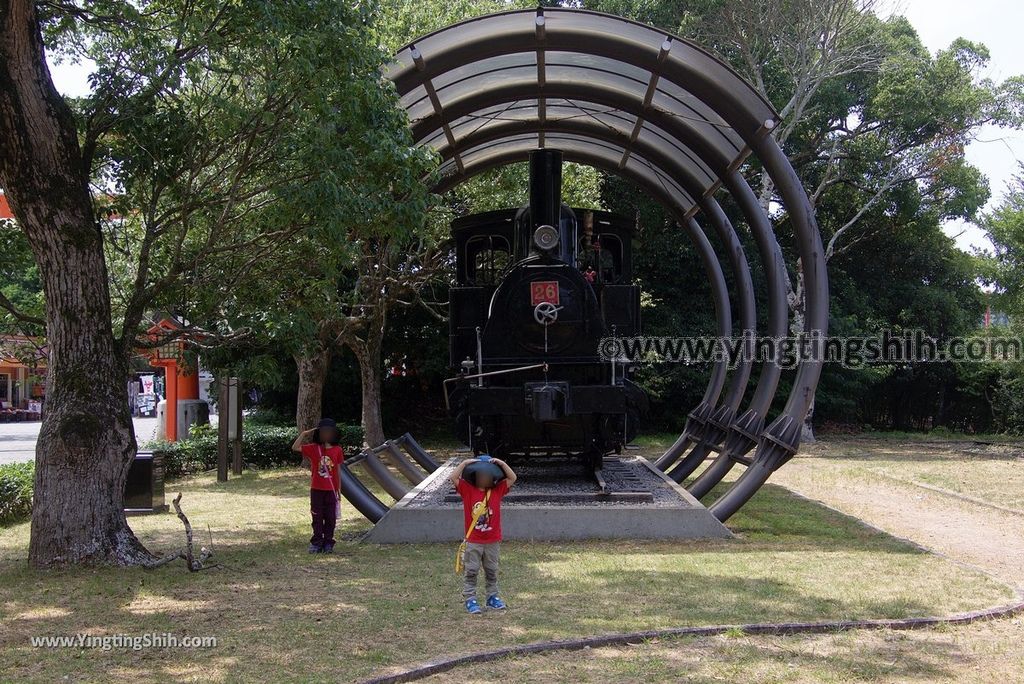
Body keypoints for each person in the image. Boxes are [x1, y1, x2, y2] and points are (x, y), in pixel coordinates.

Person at [450, 455, 517, 614]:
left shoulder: (497, 490)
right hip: (474, 540)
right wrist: (465, 463)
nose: (484, 478)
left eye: (488, 474)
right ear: (474, 476)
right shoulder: (468, 490)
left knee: (491, 569)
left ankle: (492, 597)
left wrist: (501, 462)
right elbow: (453, 477)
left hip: (492, 540)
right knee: (471, 570)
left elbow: (513, 477)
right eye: (481, 474)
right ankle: (470, 598)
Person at [291, 418, 344, 554]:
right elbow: (295, 447)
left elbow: (338, 470)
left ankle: (328, 543)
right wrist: (303, 434)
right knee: (317, 517)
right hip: (316, 489)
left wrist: (339, 489)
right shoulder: (314, 449)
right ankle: (316, 543)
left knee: (331, 518)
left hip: (331, 490)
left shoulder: (337, 450)